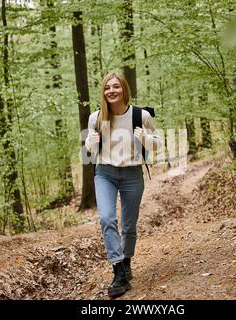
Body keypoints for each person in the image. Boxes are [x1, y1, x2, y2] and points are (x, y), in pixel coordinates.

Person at [85, 72, 163, 297]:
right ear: (103, 91)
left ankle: (127, 261)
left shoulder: (142, 115)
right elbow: (90, 150)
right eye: (107, 87)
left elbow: (158, 142)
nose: (111, 91)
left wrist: (145, 139)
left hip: (132, 174)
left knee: (129, 226)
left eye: (116, 86)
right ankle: (118, 271)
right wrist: (90, 142)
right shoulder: (96, 118)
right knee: (107, 218)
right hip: (105, 173)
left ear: (124, 90)